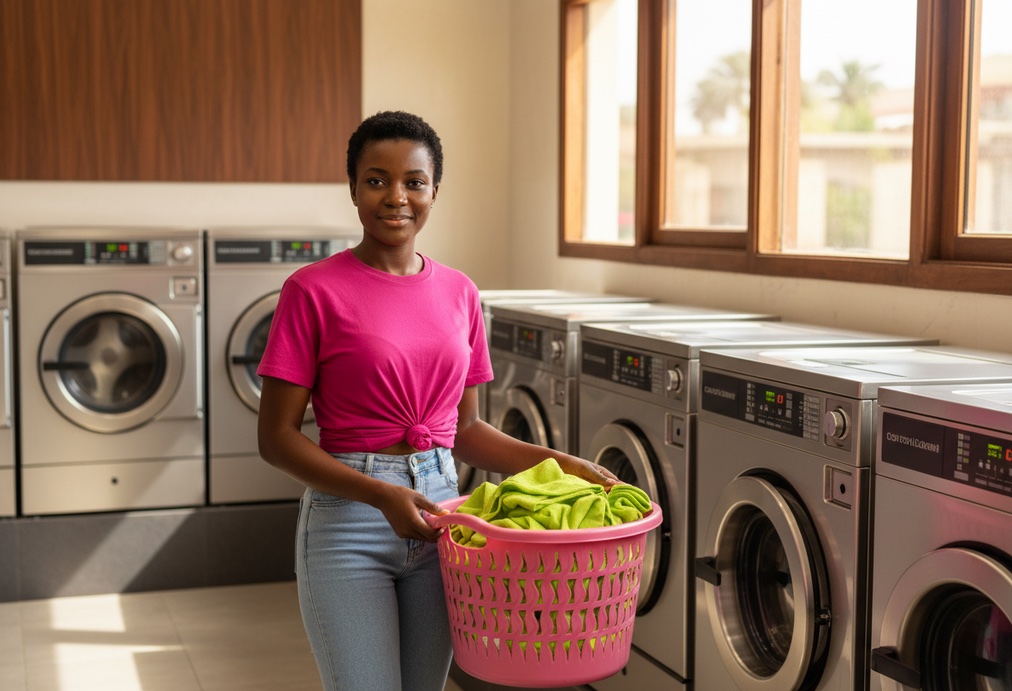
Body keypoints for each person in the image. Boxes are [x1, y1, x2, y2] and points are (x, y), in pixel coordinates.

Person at [256, 110, 618, 691]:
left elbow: (466, 430)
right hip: (349, 520)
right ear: (353, 188)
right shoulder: (312, 289)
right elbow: (276, 438)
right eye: (377, 180)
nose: (396, 197)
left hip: (445, 515)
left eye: (414, 182)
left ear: (434, 192)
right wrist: (381, 494)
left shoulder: (460, 291)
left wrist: (560, 465)